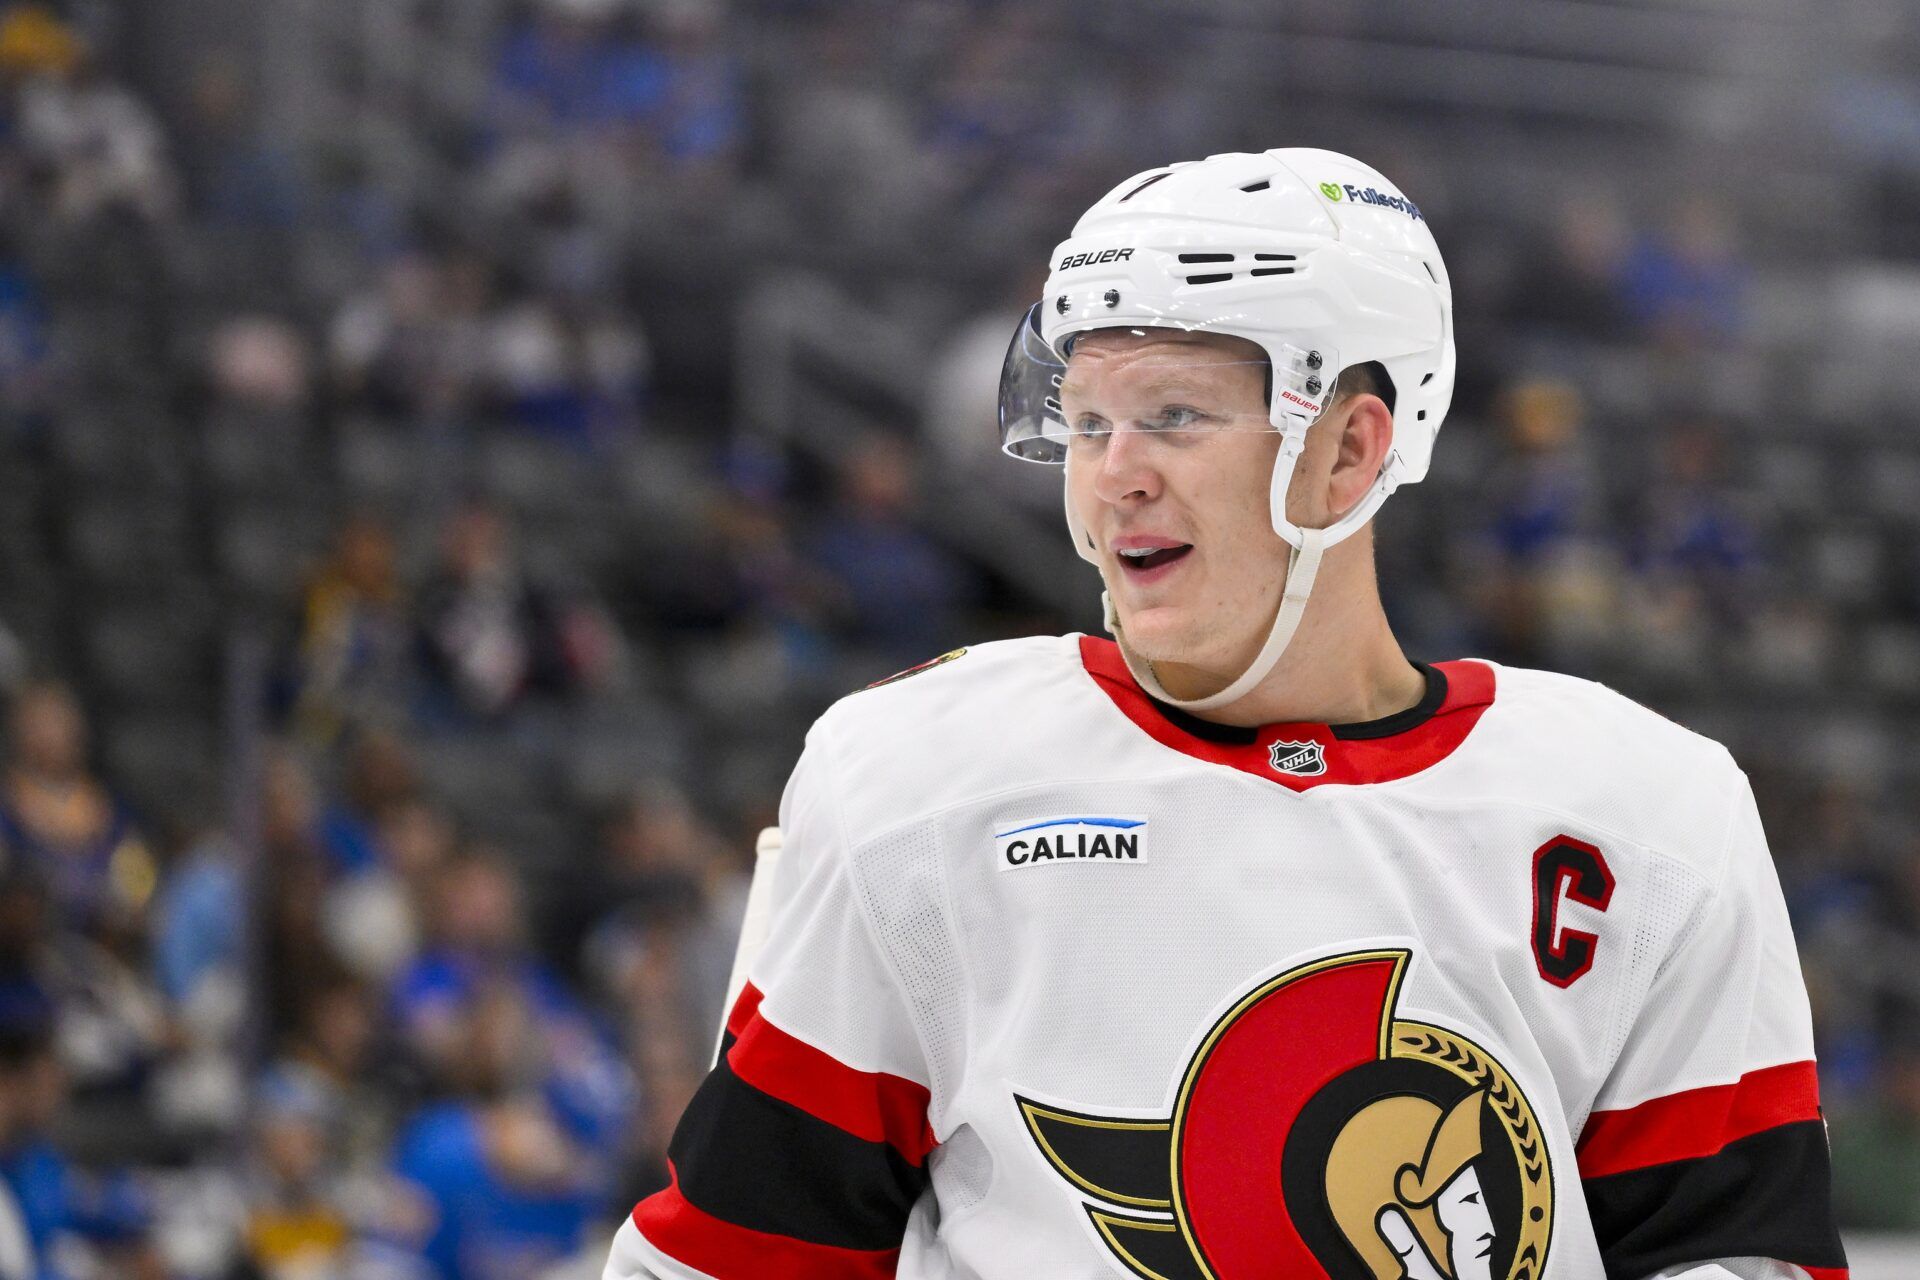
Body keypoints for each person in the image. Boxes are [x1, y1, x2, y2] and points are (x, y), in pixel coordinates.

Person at [603, 149, 1845, 1279]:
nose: (1115, 474)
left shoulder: (1651, 816)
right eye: (1088, 420)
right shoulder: (919, 783)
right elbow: (734, 1260)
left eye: (1175, 416)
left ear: (1351, 450)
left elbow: (1739, 1261)